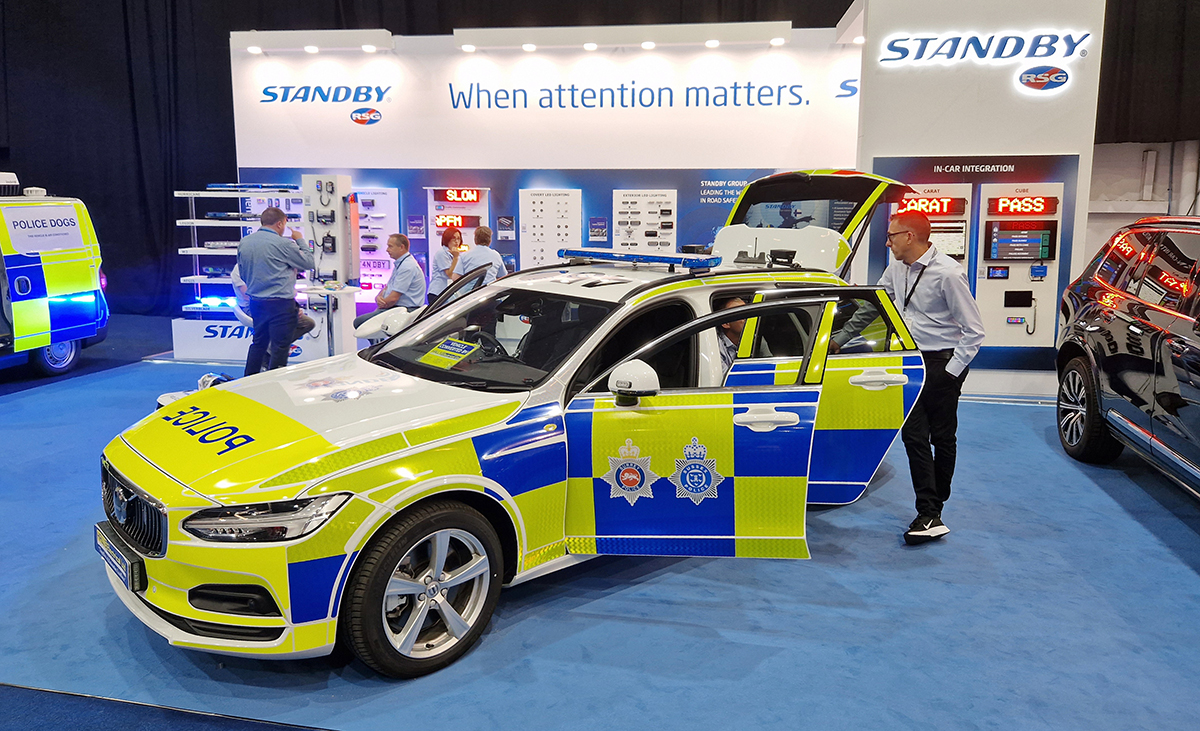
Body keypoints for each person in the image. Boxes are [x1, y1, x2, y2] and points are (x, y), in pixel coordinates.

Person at [831, 210, 985, 545]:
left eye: (891, 236)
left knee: (942, 438)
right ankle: (928, 510)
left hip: (943, 363)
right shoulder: (894, 270)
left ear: (910, 237)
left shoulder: (948, 273)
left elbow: (974, 331)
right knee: (914, 437)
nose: (887, 242)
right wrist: (839, 340)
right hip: (908, 364)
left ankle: (936, 504)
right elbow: (873, 308)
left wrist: (951, 371)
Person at [237, 207, 314, 376]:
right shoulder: (284, 244)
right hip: (280, 304)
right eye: (285, 224)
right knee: (280, 347)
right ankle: (274, 384)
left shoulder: (245, 242)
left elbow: (243, 273)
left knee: (258, 343)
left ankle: (247, 381)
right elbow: (309, 263)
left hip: (256, 302)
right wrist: (300, 240)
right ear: (280, 223)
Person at [354, 234, 427, 329]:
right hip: (395, 308)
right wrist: (379, 297)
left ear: (401, 247)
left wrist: (383, 303)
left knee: (359, 322)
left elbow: (393, 299)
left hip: (402, 310)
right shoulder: (401, 264)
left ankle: (378, 342)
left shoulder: (407, 267)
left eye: (390, 246)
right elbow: (388, 287)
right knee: (364, 322)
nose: (387, 250)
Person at [231, 263, 315, 342]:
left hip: (272, 306)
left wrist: (293, 307)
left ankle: (272, 347)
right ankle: (273, 348)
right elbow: (248, 296)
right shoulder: (240, 268)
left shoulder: (268, 264)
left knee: (307, 323)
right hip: (252, 307)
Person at [427, 226, 464, 303]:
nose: (456, 241)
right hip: (438, 293)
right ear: (447, 239)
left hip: (448, 294)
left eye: (458, 238)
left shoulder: (457, 254)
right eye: (454, 238)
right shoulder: (442, 253)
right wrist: (455, 258)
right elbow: (450, 274)